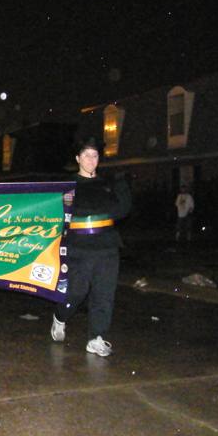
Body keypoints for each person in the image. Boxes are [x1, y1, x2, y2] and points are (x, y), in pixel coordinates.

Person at [51, 136, 131, 357]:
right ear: (78, 159)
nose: (90, 159)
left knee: (104, 294)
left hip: (107, 246)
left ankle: (97, 338)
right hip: (79, 247)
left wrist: (122, 185)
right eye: (85, 155)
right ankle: (60, 317)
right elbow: (58, 214)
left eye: (94, 155)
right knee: (77, 292)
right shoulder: (67, 186)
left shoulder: (107, 184)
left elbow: (121, 210)